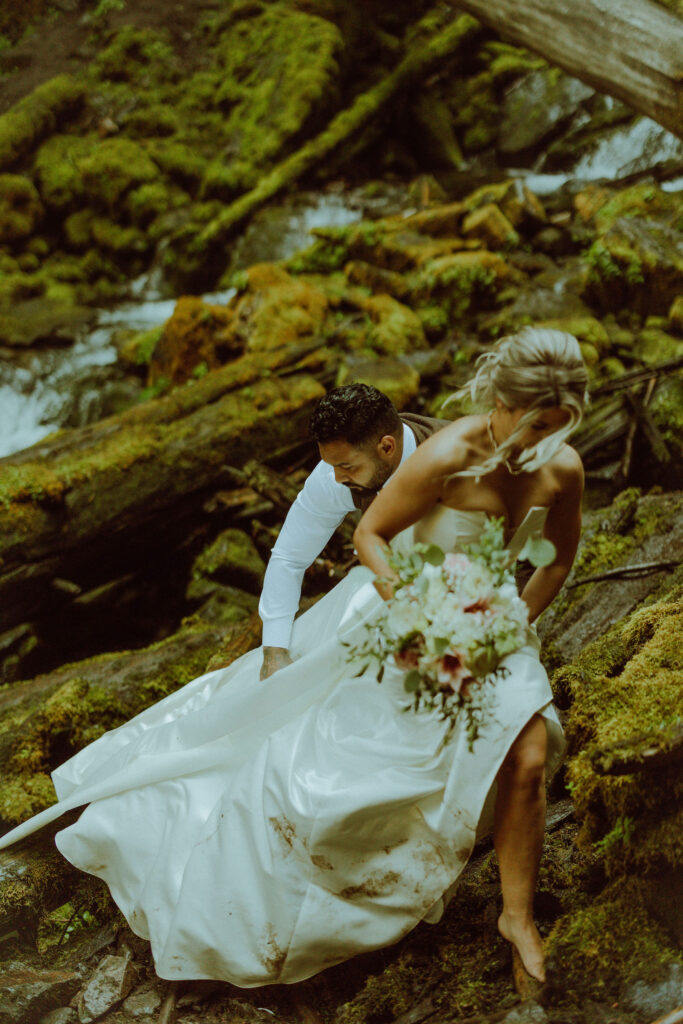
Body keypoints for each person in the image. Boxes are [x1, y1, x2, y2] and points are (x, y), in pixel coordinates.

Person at [0, 327, 588, 992]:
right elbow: (296, 556)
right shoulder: (392, 466)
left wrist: (511, 622)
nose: (539, 435)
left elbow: (557, 555)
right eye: (530, 419)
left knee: (528, 751)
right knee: (299, 743)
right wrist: (276, 648)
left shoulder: (555, 464)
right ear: (501, 402)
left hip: (488, 621)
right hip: (397, 607)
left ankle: (517, 915)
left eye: (555, 422)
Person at [260, 383, 447, 679]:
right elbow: (289, 557)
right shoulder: (335, 474)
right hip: (382, 607)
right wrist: (274, 649)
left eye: (346, 466)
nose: (336, 477)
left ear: (387, 447)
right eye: (330, 465)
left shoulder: (458, 457)